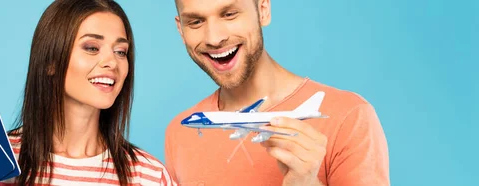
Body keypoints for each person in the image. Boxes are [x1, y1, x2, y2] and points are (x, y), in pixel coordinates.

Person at [0, 0, 176, 185]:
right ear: (51, 62)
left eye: (121, 51)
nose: (112, 63)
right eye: (92, 48)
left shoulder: (149, 175)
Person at [164, 0, 390, 185]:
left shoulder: (348, 116)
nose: (214, 38)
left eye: (230, 14)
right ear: (180, 29)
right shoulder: (178, 133)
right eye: (195, 21)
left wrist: (306, 183)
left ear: (263, 10)